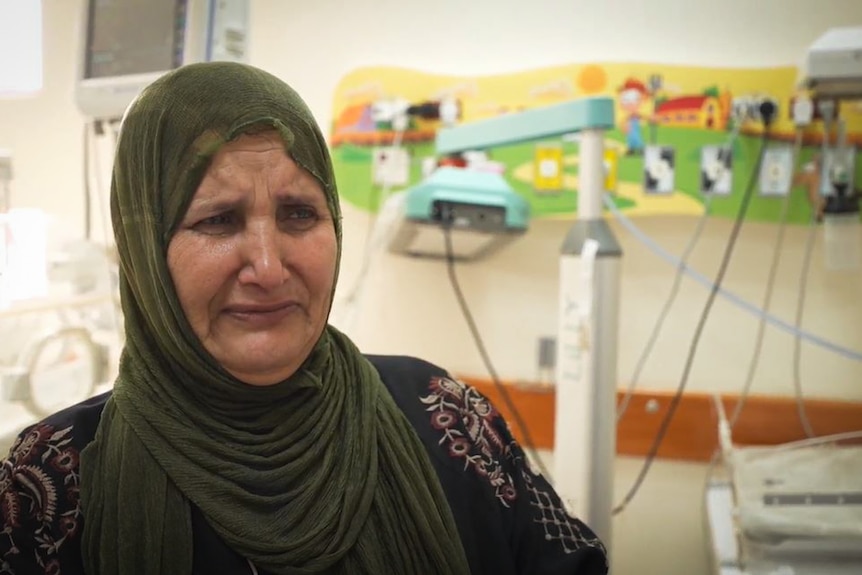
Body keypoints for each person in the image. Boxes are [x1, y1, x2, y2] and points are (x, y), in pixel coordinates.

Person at [0, 62, 608, 575]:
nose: (267, 266)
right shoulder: (51, 484)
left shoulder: (447, 420)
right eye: (217, 220)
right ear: (142, 250)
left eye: (298, 214)